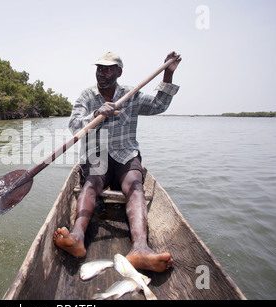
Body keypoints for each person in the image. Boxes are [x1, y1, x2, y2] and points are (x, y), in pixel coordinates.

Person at [53, 51, 181, 273]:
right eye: (99, 69)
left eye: (108, 69)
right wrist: (96, 113)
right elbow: (74, 125)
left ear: (119, 72)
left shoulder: (131, 94)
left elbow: (159, 105)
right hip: (97, 155)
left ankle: (140, 248)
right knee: (91, 183)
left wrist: (168, 74)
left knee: (135, 184)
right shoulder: (87, 96)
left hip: (125, 154)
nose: (102, 73)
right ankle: (76, 238)